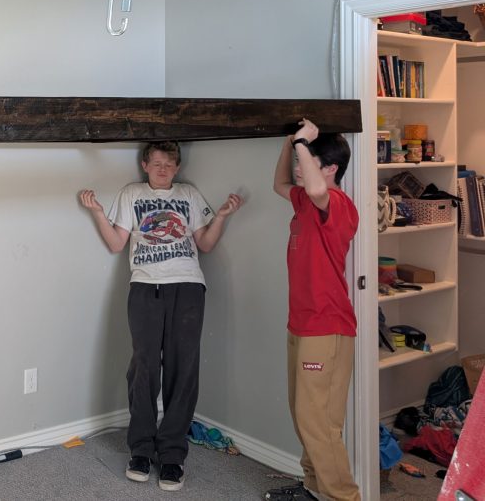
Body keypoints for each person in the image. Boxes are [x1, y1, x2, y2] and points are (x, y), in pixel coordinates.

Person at [79, 141, 243, 492]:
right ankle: (140, 450)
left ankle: (172, 454)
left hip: (188, 288)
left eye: (169, 164)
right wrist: (96, 211)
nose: (163, 169)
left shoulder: (189, 194)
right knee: (144, 367)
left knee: (183, 370)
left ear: (177, 167)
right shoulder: (131, 194)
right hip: (145, 287)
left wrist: (224, 216)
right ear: (145, 165)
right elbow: (116, 244)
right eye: (156, 163)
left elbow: (207, 244)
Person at [265, 119, 359, 501]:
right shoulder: (305, 199)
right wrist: (291, 144)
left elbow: (317, 188)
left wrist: (305, 140)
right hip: (302, 324)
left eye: (308, 160)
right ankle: (314, 488)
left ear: (331, 168)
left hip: (327, 326)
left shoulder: (337, 204)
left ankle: (343, 497)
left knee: (319, 422)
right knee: (304, 416)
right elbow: (279, 185)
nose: (299, 168)